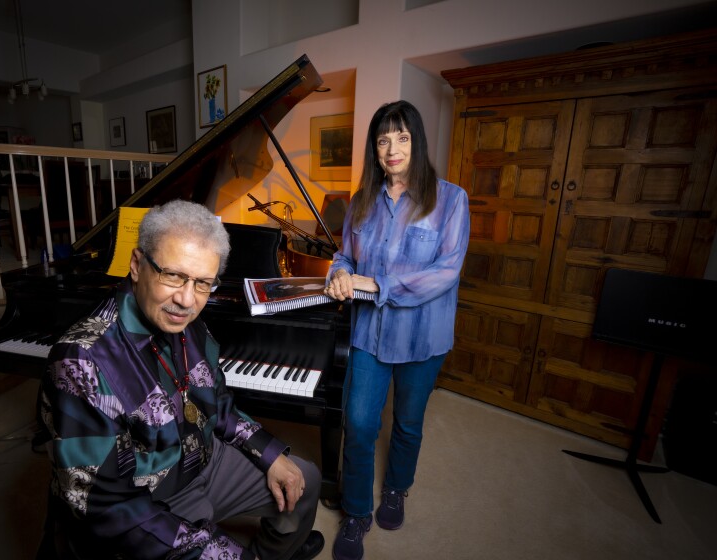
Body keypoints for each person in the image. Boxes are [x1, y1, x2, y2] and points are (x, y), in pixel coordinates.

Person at [38, 200, 325, 560]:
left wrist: (268, 454)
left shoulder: (189, 322)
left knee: (306, 478)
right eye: (172, 275)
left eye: (203, 283)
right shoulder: (82, 361)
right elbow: (107, 509)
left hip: (204, 460)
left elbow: (216, 404)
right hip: (150, 496)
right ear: (137, 265)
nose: (186, 300)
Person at [323, 101, 470, 560]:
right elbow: (345, 257)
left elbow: (446, 271)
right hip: (369, 332)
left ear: (416, 141)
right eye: (383, 139)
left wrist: (378, 283)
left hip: (423, 337)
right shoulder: (361, 200)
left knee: (407, 424)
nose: (392, 148)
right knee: (361, 423)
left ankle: (396, 490)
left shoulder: (450, 199)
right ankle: (357, 511)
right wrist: (339, 274)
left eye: (402, 137)